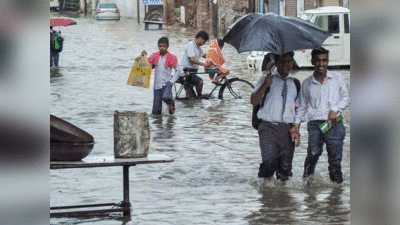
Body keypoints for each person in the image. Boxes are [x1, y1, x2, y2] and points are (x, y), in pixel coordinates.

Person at [293, 47, 350, 184]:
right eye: (318, 60)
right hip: (315, 124)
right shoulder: (306, 83)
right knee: (313, 153)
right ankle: (307, 182)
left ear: (328, 62)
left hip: (333, 123)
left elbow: (346, 99)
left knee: (335, 160)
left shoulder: (337, 78)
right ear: (312, 61)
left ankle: (336, 194)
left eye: (324, 60)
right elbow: (302, 107)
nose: (321, 64)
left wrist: (334, 110)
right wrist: (296, 125)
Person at [251, 52, 301, 182]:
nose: (285, 65)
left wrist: (296, 127)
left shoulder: (295, 83)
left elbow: (298, 108)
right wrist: (265, 85)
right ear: (276, 63)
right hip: (268, 127)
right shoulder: (266, 79)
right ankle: (265, 191)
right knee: (269, 161)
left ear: (292, 63)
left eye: (288, 61)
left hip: (287, 129)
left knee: (285, 170)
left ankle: (281, 197)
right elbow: (253, 101)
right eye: (282, 61)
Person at [143, 37, 179, 115]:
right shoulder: (155, 56)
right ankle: (158, 125)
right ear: (158, 46)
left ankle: (171, 102)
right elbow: (148, 67)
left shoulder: (172, 57)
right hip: (157, 85)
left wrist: (171, 82)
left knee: (166, 97)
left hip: (167, 84)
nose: (162, 48)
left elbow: (178, 71)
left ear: (167, 47)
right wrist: (144, 57)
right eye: (160, 46)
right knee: (156, 112)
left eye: (164, 46)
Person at [177, 31, 212, 99]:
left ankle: (195, 100)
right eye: (203, 41)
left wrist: (214, 56)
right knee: (200, 82)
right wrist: (204, 64)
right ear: (199, 38)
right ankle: (199, 96)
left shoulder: (198, 48)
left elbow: (205, 55)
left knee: (191, 95)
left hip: (192, 72)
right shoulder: (191, 45)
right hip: (186, 71)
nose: (204, 43)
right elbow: (192, 59)